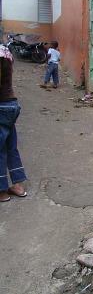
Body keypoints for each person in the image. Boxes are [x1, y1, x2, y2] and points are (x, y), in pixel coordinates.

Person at [0, 45, 27, 202]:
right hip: (12, 105)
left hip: (2, 106)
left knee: (1, 150)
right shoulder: (6, 51)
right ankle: (18, 185)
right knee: (11, 147)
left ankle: (2, 190)